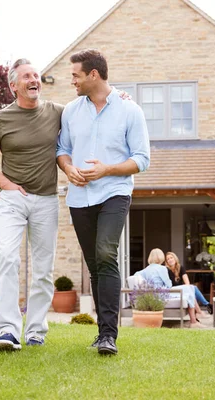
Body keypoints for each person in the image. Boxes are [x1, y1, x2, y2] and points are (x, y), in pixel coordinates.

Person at [57, 49, 151, 355]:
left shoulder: (129, 110)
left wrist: (106, 169)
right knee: (95, 265)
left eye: (76, 75)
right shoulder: (71, 111)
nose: (72, 81)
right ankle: (101, 333)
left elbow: (142, 159)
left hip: (114, 192)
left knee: (106, 253)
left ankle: (110, 335)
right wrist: (68, 168)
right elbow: (62, 148)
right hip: (79, 196)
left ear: (93, 75)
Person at [0, 58, 63, 351]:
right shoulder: (1, 119)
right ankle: (6, 331)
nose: (34, 80)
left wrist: (119, 96)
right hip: (13, 200)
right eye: (27, 76)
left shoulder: (56, 112)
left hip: (47, 200)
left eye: (36, 75)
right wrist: (7, 184)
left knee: (43, 269)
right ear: (14, 85)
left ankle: (36, 330)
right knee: (7, 259)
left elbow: (91, 113)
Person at [134, 249, 205, 328]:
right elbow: (169, 284)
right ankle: (194, 321)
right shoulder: (162, 268)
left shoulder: (145, 270)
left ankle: (196, 316)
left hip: (153, 295)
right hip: (162, 294)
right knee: (190, 288)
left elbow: (136, 275)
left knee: (190, 288)